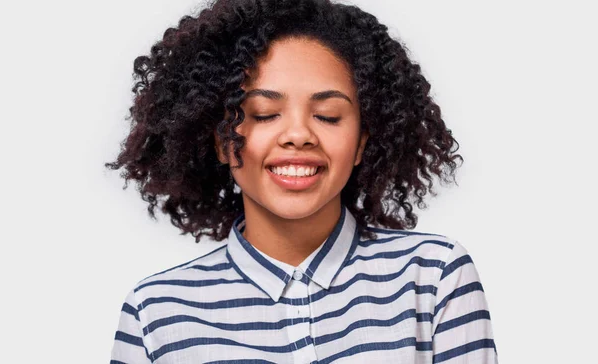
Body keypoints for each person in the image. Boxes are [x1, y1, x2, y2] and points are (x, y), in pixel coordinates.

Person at [106, 0, 498, 362]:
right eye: (262, 114)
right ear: (221, 143)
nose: (298, 134)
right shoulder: (155, 313)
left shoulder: (434, 278)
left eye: (327, 115)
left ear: (362, 142)